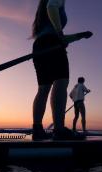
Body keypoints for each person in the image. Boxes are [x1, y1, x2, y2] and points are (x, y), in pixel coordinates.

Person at [31, 0, 83, 141]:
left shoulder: (42, 10)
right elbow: (52, 7)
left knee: (43, 88)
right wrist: (60, 34)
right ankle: (59, 129)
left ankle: (37, 130)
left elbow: (60, 38)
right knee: (60, 83)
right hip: (52, 44)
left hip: (40, 46)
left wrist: (80, 36)